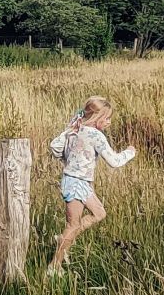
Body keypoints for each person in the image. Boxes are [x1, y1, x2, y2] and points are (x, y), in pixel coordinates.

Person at [48, 96, 135, 273]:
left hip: (79, 181)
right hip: (75, 182)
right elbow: (114, 161)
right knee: (73, 225)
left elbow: (54, 146)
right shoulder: (96, 135)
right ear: (97, 117)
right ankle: (54, 267)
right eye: (107, 118)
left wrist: (67, 159)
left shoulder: (75, 129)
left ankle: (64, 239)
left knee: (99, 213)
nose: (109, 122)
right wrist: (129, 152)